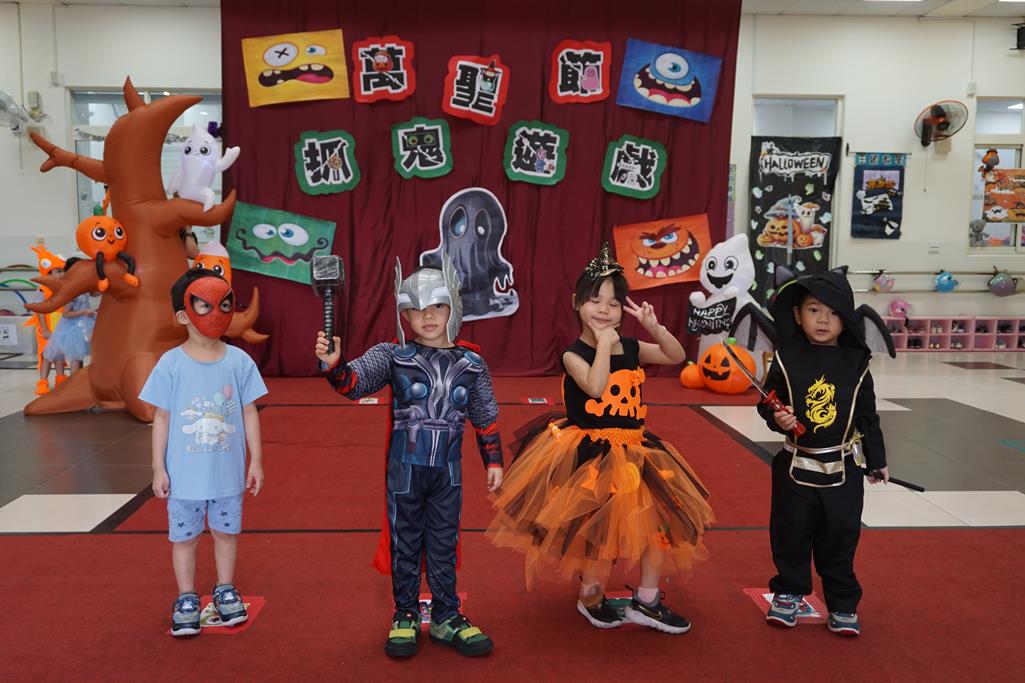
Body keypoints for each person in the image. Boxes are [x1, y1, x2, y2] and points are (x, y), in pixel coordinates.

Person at [488, 243, 714, 634]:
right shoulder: (572, 354)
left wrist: (654, 328)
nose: (604, 310)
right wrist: (606, 345)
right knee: (597, 533)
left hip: (637, 452)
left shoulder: (632, 347)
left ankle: (647, 601)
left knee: (656, 528)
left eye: (613, 303)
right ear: (577, 303)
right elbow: (594, 387)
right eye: (595, 301)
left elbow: (675, 356)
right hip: (592, 457)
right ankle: (591, 595)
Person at [315, 254, 503, 659]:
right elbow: (351, 384)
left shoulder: (472, 364)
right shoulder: (393, 356)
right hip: (405, 473)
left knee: (444, 543)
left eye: (437, 305)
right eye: (416, 309)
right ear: (404, 314)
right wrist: (333, 365)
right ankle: (405, 614)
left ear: (453, 305)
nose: (428, 316)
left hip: (447, 474)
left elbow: (485, 416)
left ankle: (446, 615)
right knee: (405, 542)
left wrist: (494, 460)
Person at [758, 267, 888, 637]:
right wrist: (777, 417)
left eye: (833, 312)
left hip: (843, 468)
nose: (823, 320)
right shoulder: (786, 357)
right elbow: (767, 401)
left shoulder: (857, 364)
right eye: (814, 310)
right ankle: (789, 590)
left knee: (841, 536)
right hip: (794, 466)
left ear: (846, 320)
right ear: (797, 314)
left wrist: (877, 459)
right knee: (791, 532)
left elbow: (867, 416)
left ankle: (843, 602)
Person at [139, 269, 267, 637]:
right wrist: (158, 468)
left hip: (227, 476)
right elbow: (161, 417)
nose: (217, 314)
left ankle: (225, 589)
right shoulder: (171, 363)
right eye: (205, 306)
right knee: (184, 538)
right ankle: (186, 597)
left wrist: (256, 460)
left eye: (225, 305)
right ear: (183, 315)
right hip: (184, 479)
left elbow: (249, 412)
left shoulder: (238, 361)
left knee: (226, 534)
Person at [40, 257, 96, 376]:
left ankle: (75, 379)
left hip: (82, 326)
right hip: (70, 328)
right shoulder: (70, 290)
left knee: (78, 356)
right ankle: (63, 381)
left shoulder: (82, 286)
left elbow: (94, 292)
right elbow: (66, 314)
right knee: (57, 355)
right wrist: (84, 312)